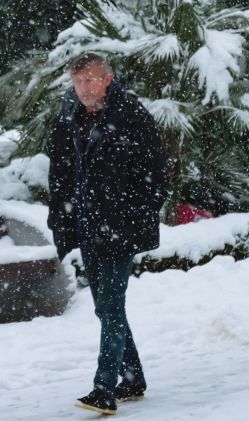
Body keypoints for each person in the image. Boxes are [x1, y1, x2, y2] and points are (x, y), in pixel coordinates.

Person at [47, 52, 169, 416]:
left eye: (91, 80)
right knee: (104, 307)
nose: (84, 88)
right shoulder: (69, 117)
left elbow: (156, 172)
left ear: (107, 80)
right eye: (79, 81)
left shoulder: (130, 115)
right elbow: (61, 172)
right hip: (87, 226)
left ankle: (104, 389)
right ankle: (132, 378)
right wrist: (63, 218)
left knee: (112, 305)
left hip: (121, 228)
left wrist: (135, 212)